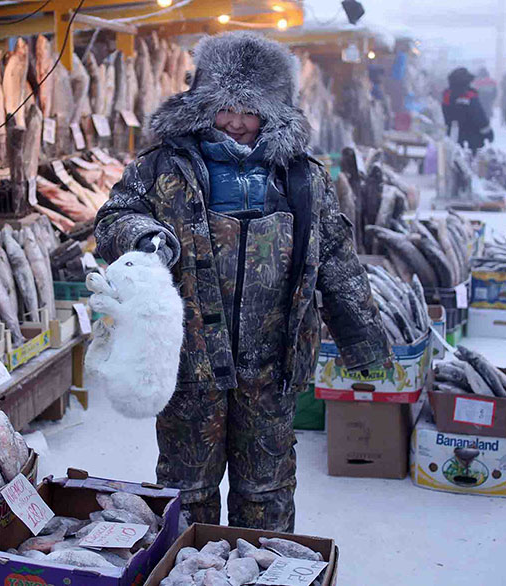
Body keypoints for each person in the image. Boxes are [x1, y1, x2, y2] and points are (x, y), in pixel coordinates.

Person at [95, 32, 390, 532]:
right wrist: (143, 236)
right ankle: (186, 563)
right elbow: (113, 217)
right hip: (190, 361)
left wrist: (364, 342)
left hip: (273, 364)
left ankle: (265, 564)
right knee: (187, 490)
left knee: (266, 490)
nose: (235, 121)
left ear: (273, 111)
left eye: (249, 111)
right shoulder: (162, 166)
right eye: (224, 108)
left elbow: (337, 255)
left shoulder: (302, 177)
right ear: (202, 103)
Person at [442, 67, 493, 153]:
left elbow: (444, 116)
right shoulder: (470, 96)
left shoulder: (447, 96)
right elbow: (479, 117)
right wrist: (488, 133)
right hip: (473, 139)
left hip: (453, 138)